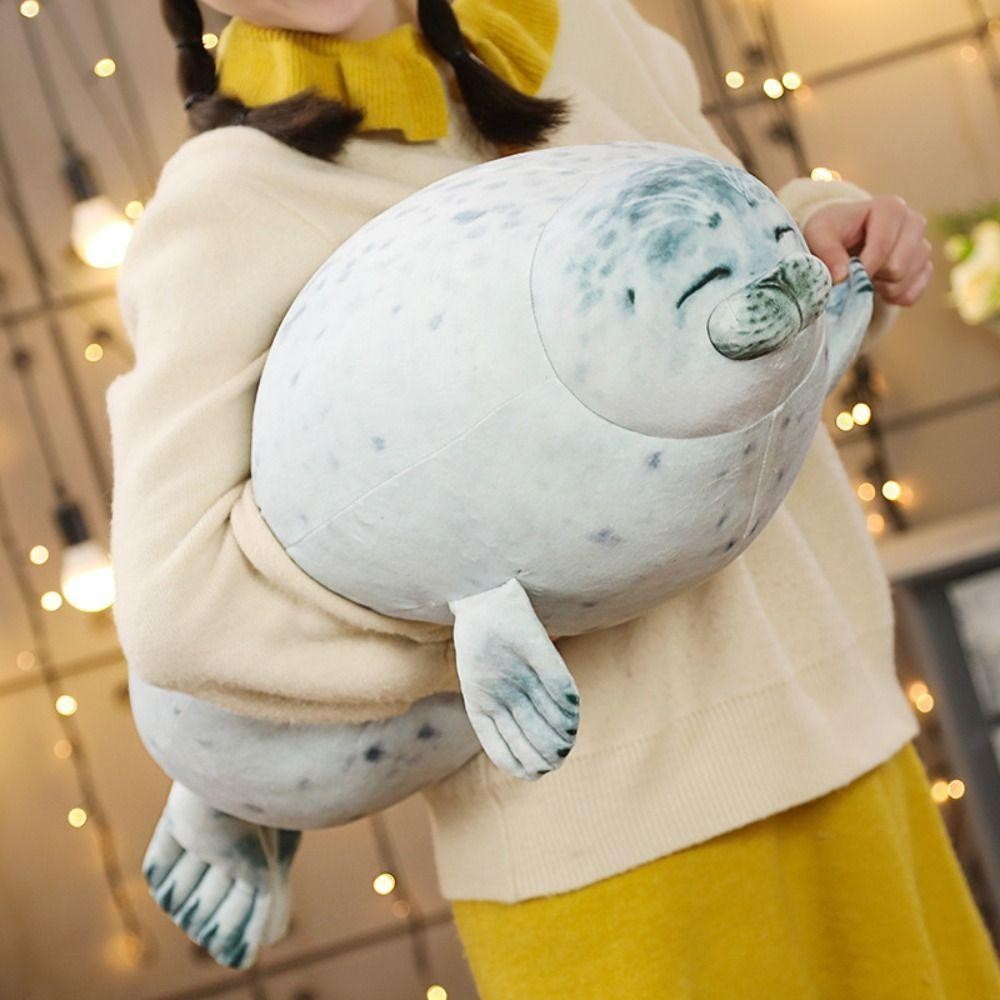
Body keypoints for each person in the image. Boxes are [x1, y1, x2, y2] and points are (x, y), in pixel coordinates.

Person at [109, 0, 1000, 993]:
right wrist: (485, 630)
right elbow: (182, 606)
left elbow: (699, 334)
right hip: (606, 849)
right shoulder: (229, 199)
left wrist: (824, 247)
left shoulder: (580, 27)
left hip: (844, 733)